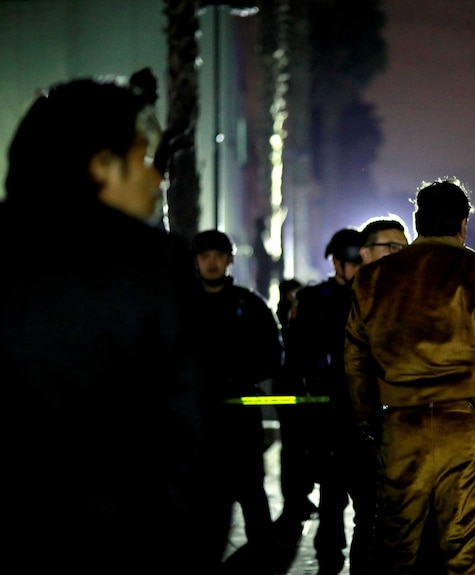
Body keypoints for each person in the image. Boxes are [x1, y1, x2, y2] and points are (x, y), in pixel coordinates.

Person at [1, 76, 218, 573]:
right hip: (126, 546)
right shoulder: (153, 266)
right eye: (143, 158)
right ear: (101, 167)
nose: (157, 177)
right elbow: (193, 445)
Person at [344, 178, 475, 574]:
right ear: (463, 224)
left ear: (417, 222)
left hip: (400, 420)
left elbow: (356, 358)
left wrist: (368, 419)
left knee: (395, 543)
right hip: (466, 424)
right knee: (463, 543)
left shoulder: (373, 279)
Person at [190, 229, 285, 572]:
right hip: (197, 420)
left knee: (252, 496)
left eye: (218, 255)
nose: (212, 263)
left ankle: (263, 561)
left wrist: (239, 377)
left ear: (229, 259)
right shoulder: (182, 304)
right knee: (201, 503)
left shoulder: (250, 304)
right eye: (205, 256)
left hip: (240, 419)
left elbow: (274, 355)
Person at [275, 227, 366, 575]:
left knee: (367, 503)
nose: (358, 267)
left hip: (363, 410)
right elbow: (296, 353)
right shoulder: (315, 299)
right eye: (352, 261)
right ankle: (329, 559)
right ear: (337, 262)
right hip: (327, 413)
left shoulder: (373, 296)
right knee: (331, 496)